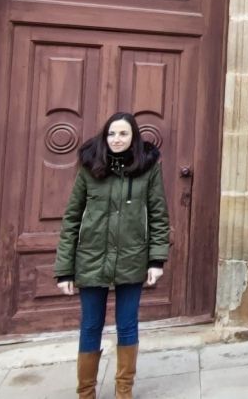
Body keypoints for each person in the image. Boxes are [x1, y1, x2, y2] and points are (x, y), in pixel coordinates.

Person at [55, 112, 170, 399]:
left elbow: (158, 215)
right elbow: (71, 218)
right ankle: (86, 393)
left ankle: (124, 392)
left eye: (123, 134)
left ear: (133, 138)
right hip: (92, 257)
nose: (116, 139)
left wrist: (156, 260)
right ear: (105, 137)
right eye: (111, 134)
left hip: (132, 258)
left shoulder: (148, 168)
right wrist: (65, 269)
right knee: (91, 325)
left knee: (128, 324)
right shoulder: (89, 168)